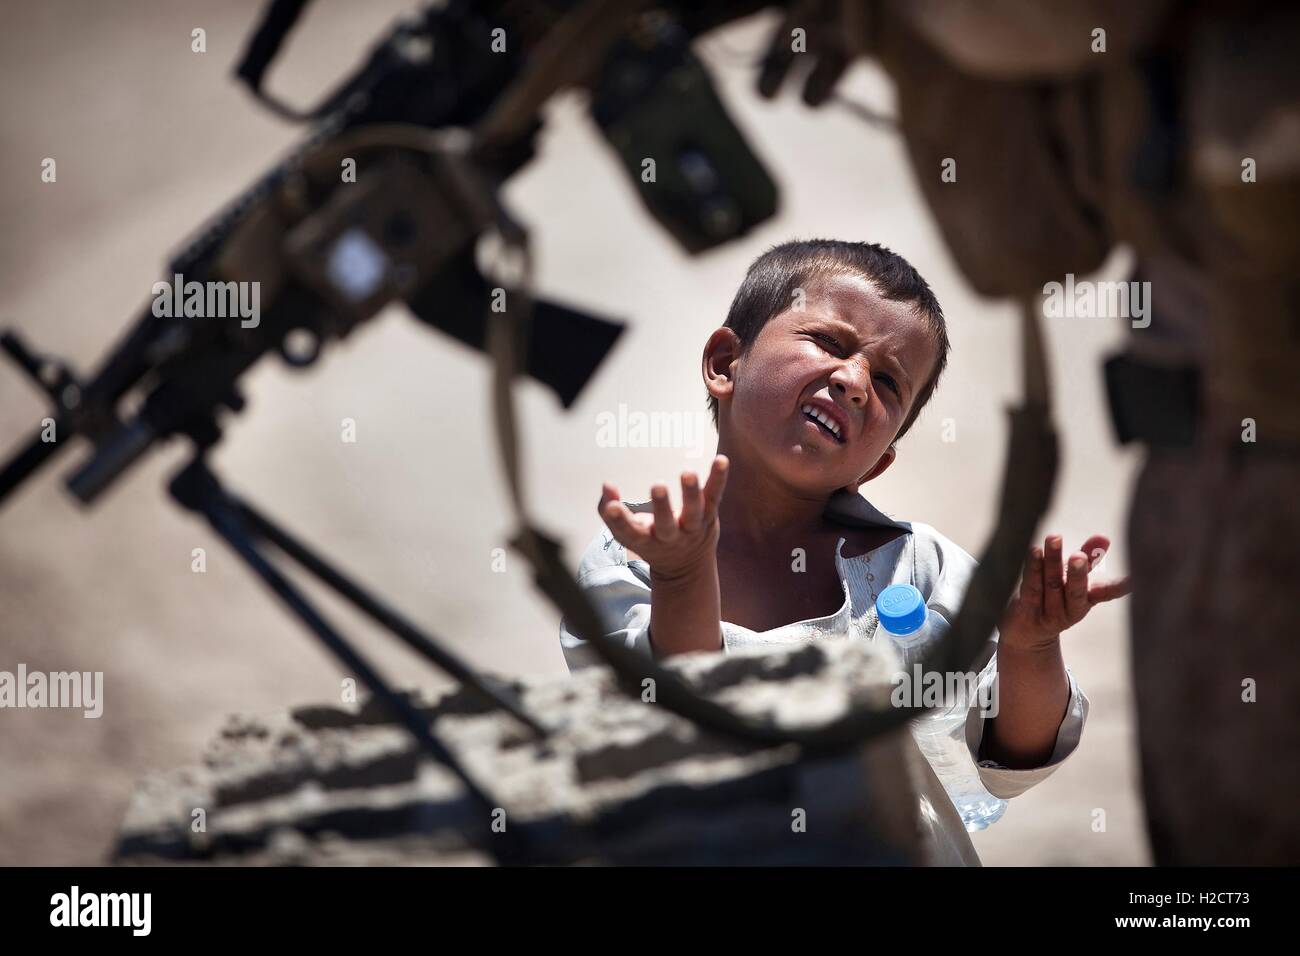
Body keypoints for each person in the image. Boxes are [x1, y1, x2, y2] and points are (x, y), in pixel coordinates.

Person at [558, 239, 1131, 859]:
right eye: (829, 343)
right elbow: (682, 719)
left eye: (889, 382)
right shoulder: (635, 556)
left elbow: (1009, 761)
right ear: (726, 362)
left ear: (878, 461)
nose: (855, 382)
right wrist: (681, 576)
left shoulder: (917, 567)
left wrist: (1031, 645)